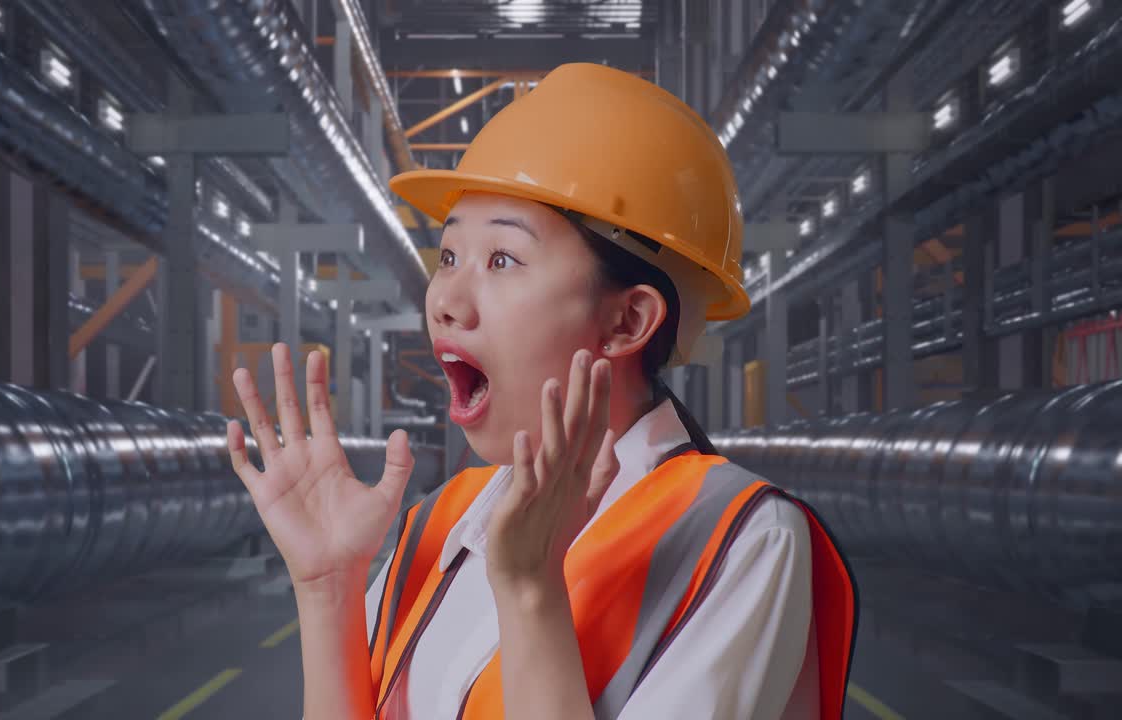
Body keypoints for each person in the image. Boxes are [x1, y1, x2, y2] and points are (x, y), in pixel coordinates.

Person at [225, 63, 857, 720]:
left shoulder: (742, 539)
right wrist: (329, 588)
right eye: (448, 257)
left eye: (502, 259)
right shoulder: (443, 521)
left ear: (626, 321)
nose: (445, 301)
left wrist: (532, 592)